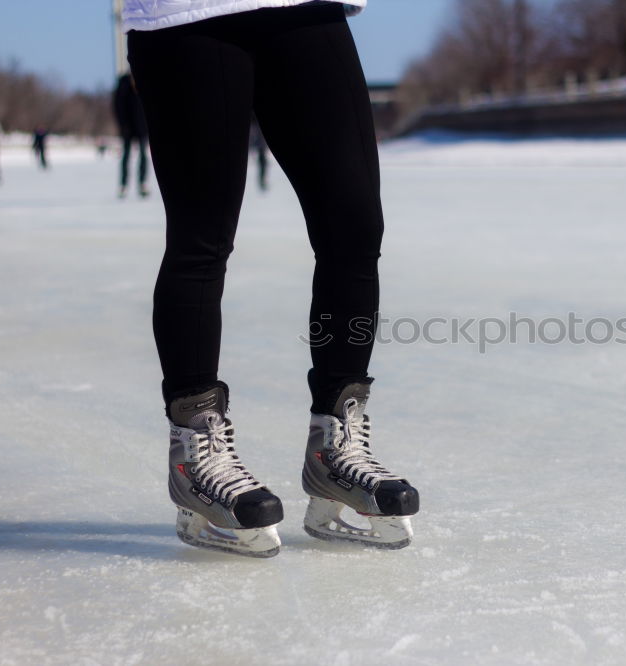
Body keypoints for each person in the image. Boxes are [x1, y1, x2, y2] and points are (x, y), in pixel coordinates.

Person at [123, 0, 419, 557]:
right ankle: (196, 453)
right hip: (187, 17)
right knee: (202, 239)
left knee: (353, 227)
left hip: (304, 10)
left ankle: (335, 447)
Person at [112, 73, 150, 198]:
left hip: (142, 127)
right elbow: (118, 105)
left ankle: (143, 183)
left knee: (143, 156)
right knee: (126, 156)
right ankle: (123, 185)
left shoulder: (145, 79)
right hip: (128, 127)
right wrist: (123, 125)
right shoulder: (123, 82)